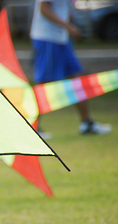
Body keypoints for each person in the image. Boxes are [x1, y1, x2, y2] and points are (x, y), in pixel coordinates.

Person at [30, 0, 112, 135]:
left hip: (62, 39)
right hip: (47, 38)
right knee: (44, 84)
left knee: (78, 78)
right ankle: (32, 127)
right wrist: (68, 26)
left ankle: (87, 123)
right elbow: (44, 9)